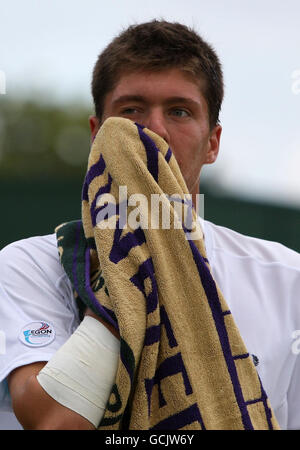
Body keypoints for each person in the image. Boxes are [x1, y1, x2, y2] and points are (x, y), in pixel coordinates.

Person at [0, 19, 300, 430]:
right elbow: (54, 422)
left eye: (179, 111)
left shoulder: (287, 279)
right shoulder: (29, 266)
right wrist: (132, 262)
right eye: (131, 111)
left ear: (212, 142)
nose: (154, 131)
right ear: (97, 134)